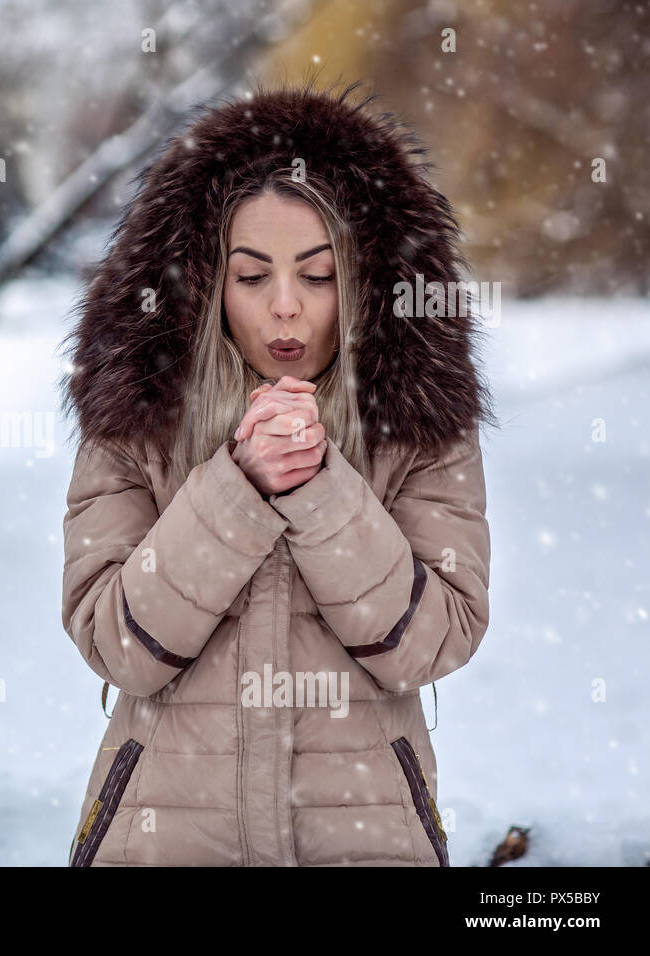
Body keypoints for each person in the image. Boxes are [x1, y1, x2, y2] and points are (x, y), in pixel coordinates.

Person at [57, 80, 498, 866]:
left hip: (365, 840)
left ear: (362, 282)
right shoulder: (137, 419)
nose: (286, 307)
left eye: (319, 276)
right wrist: (238, 487)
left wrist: (320, 489)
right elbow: (118, 643)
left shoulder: (421, 423)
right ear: (206, 282)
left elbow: (433, 642)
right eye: (252, 277)